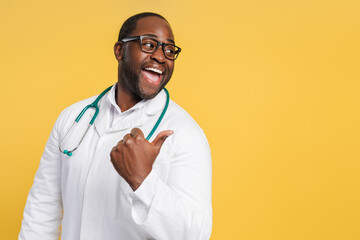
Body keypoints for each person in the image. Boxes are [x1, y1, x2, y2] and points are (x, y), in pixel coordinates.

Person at [19, 12, 212, 240]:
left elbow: (196, 234)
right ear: (120, 50)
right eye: (149, 44)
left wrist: (143, 181)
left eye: (169, 50)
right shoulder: (72, 118)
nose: (161, 56)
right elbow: (42, 211)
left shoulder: (185, 133)